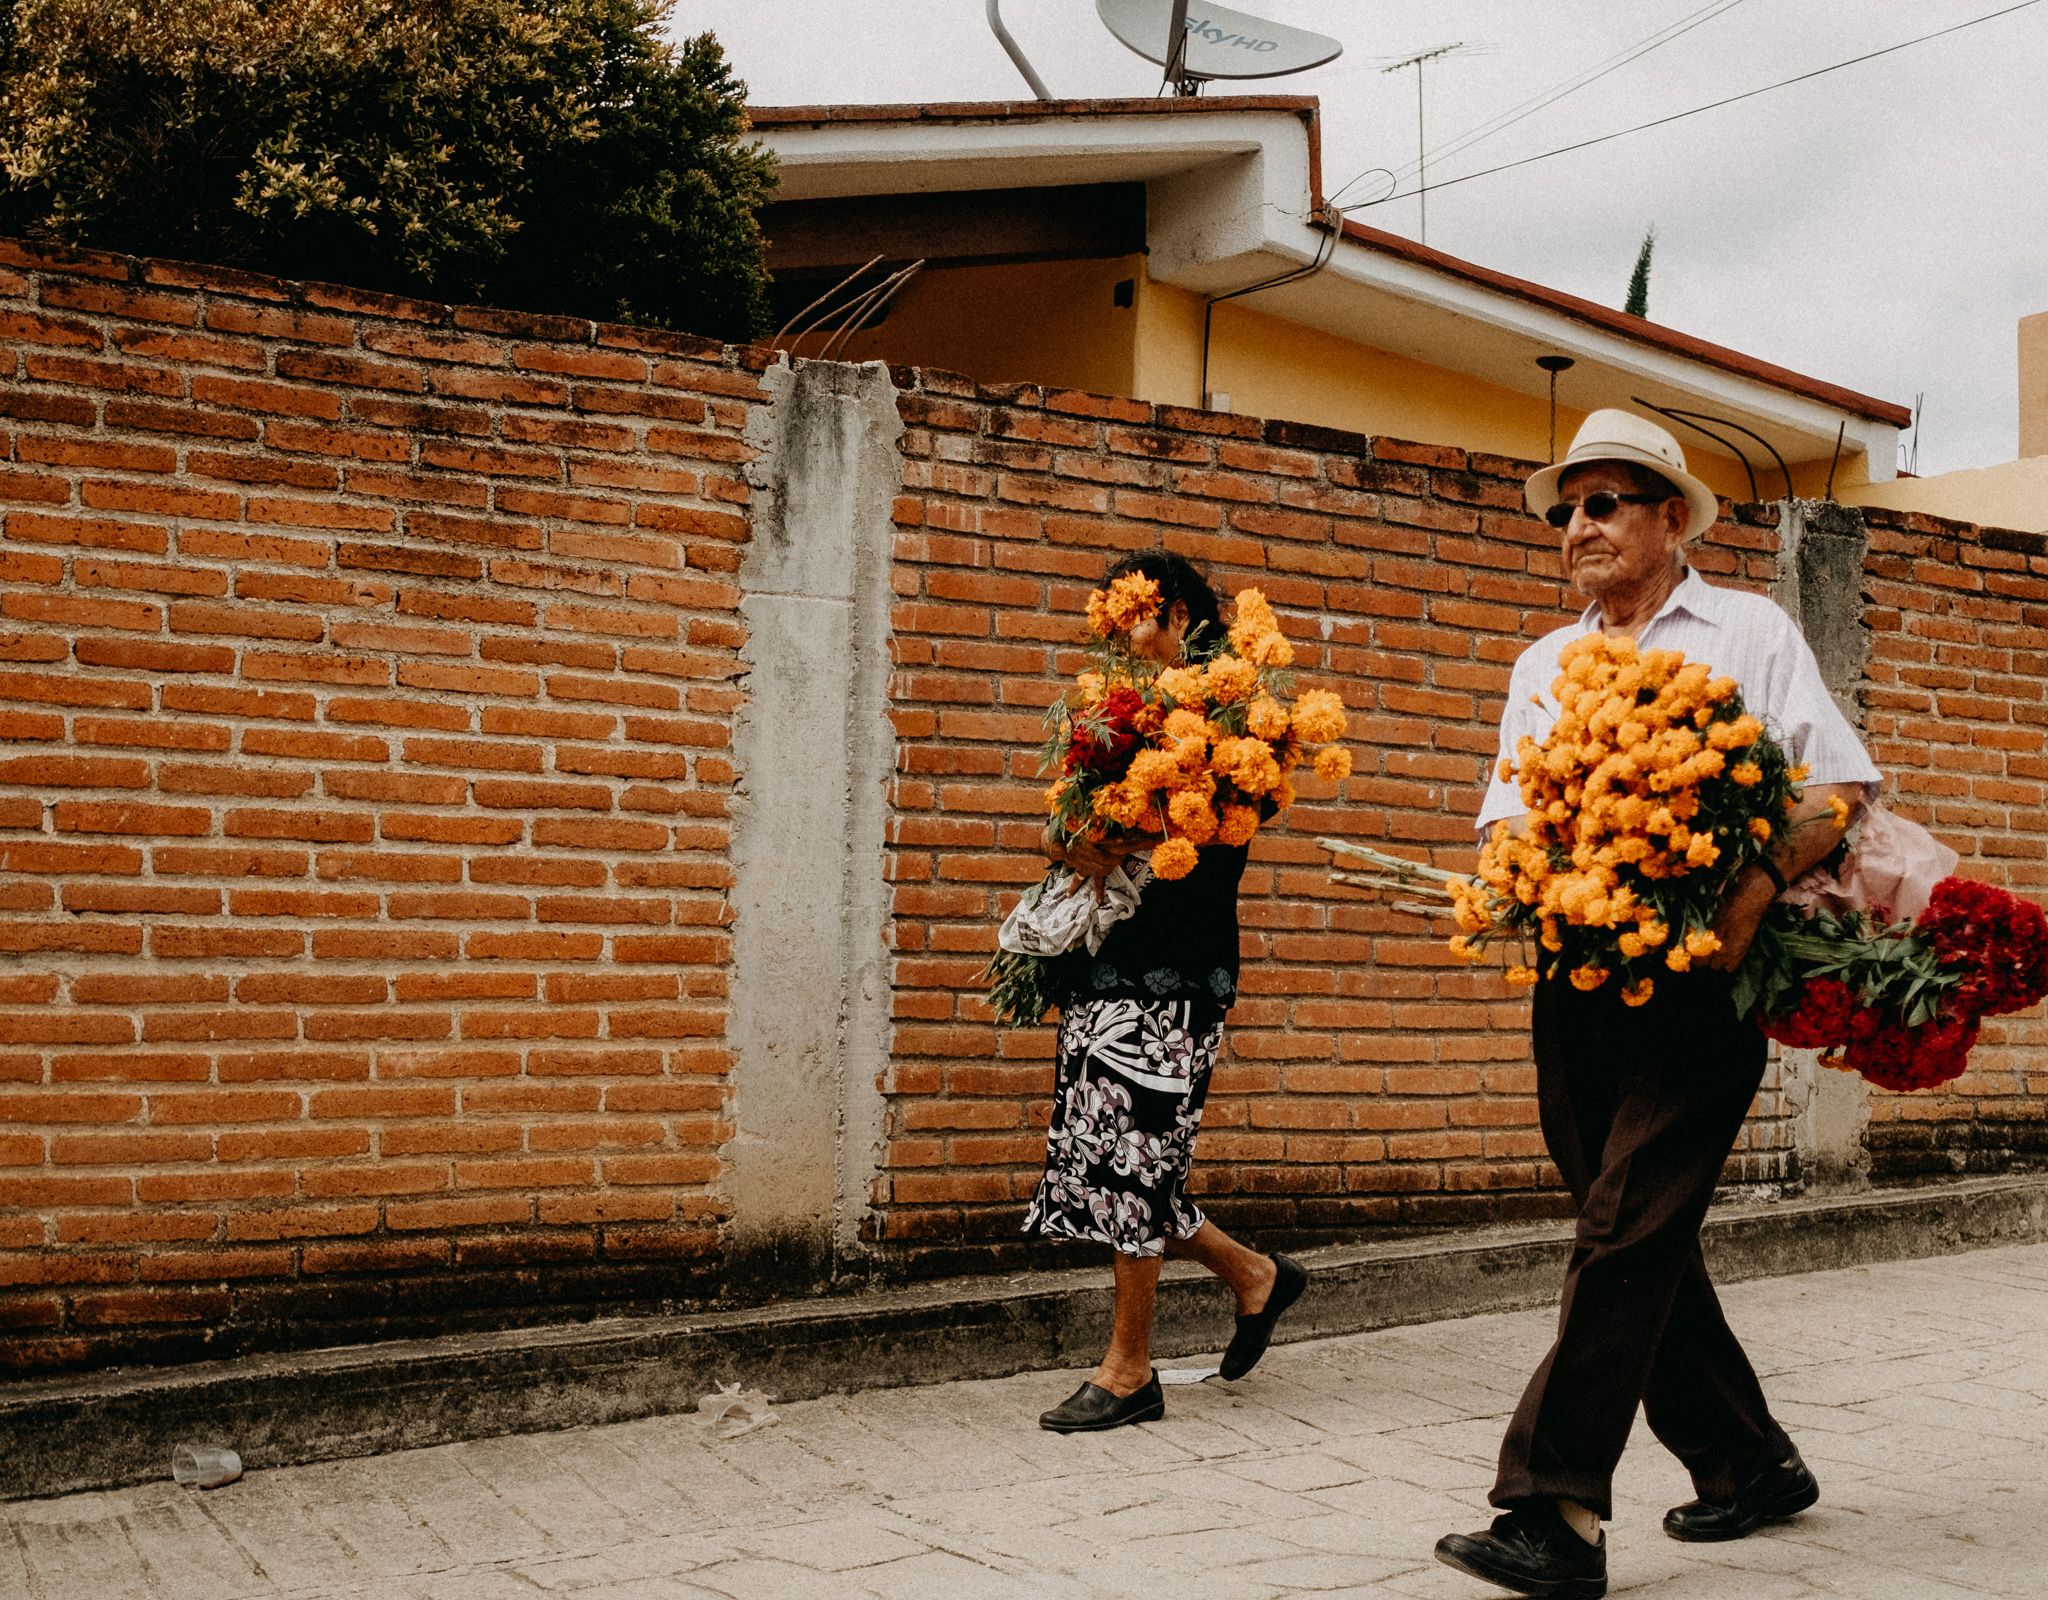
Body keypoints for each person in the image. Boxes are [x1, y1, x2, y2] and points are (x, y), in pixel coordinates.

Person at [1434, 412, 1882, 1598]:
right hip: (1573, 976)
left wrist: (1748, 884)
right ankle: (1744, 1460)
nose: (1575, 526)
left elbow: (1837, 788)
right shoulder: (1542, 660)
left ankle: (1554, 1509)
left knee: (1621, 1227)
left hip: (1703, 976)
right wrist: (1507, 881)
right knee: (1629, 1226)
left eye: (1602, 502)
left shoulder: (1746, 629)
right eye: (1564, 509)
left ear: (1668, 516)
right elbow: (1505, 814)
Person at [1023, 548, 1308, 1433]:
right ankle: (1255, 1276)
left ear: (1178, 614)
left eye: (1131, 614)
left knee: (1134, 1160)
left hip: (1177, 970)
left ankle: (1128, 1370)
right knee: (1106, 1155)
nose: (1117, 633)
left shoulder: (1240, 716)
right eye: (1109, 619)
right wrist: (1082, 837)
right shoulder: (1120, 714)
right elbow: (1073, 830)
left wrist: (1122, 835)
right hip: (1107, 957)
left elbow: (1205, 844)